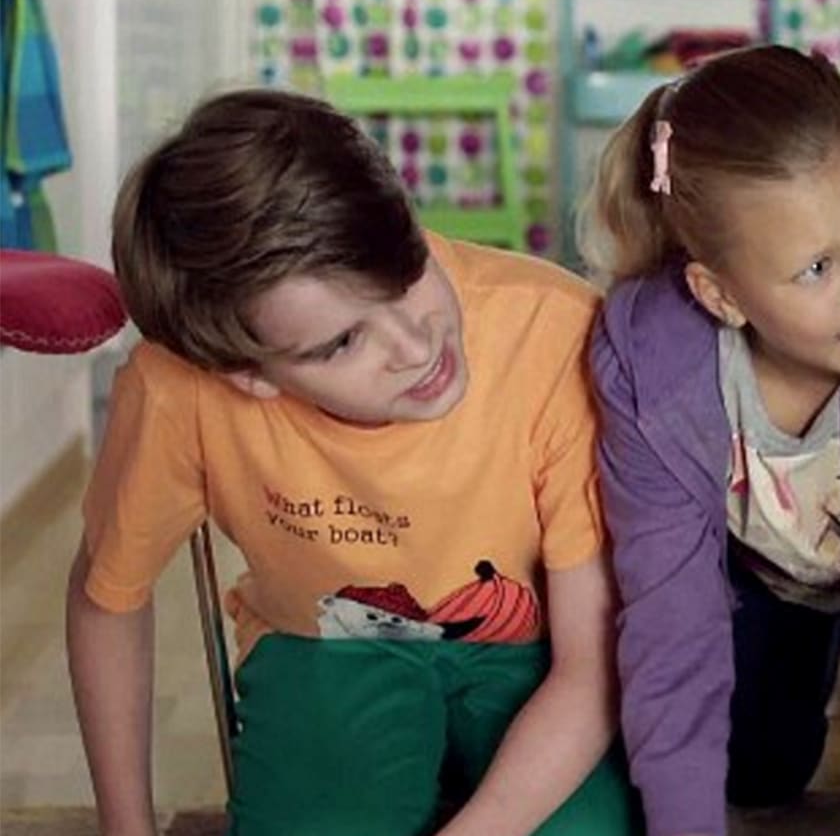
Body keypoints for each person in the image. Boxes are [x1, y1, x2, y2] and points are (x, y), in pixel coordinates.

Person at [68, 90, 634, 835]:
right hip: (324, 648)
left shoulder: (557, 332)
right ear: (248, 374)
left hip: (545, 654)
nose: (415, 346)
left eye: (407, 270)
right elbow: (108, 596)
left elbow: (591, 669)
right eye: (342, 343)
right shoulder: (179, 391)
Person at [582, 45, 840, 836]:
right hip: (774, 577)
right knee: (756, 768)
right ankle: (813, 654)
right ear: (720, 295)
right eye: (816, 269)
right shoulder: (650, 365)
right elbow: (670, 626)